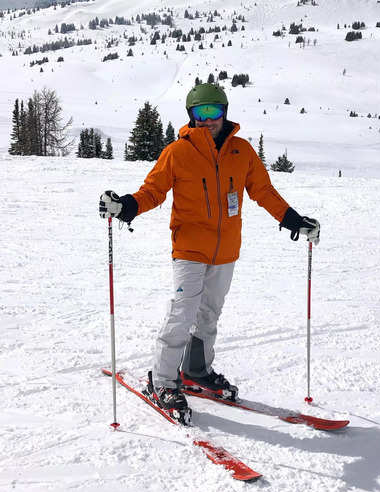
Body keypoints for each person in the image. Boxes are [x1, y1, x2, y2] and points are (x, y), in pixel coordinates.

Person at [99, 83, 319, 424]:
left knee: (210, 313)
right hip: (189, 248)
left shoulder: (242, 152)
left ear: (224, 113)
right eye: (200, 113)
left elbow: (263, 191)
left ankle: (196, 371)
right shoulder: (178, 152)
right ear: (191, 116)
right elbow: (153, 191)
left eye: (213, 112)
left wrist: (293, 220)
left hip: (226, 250)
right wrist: (125, 206)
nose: (207, 120)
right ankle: (162, 380)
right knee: (181, 314)